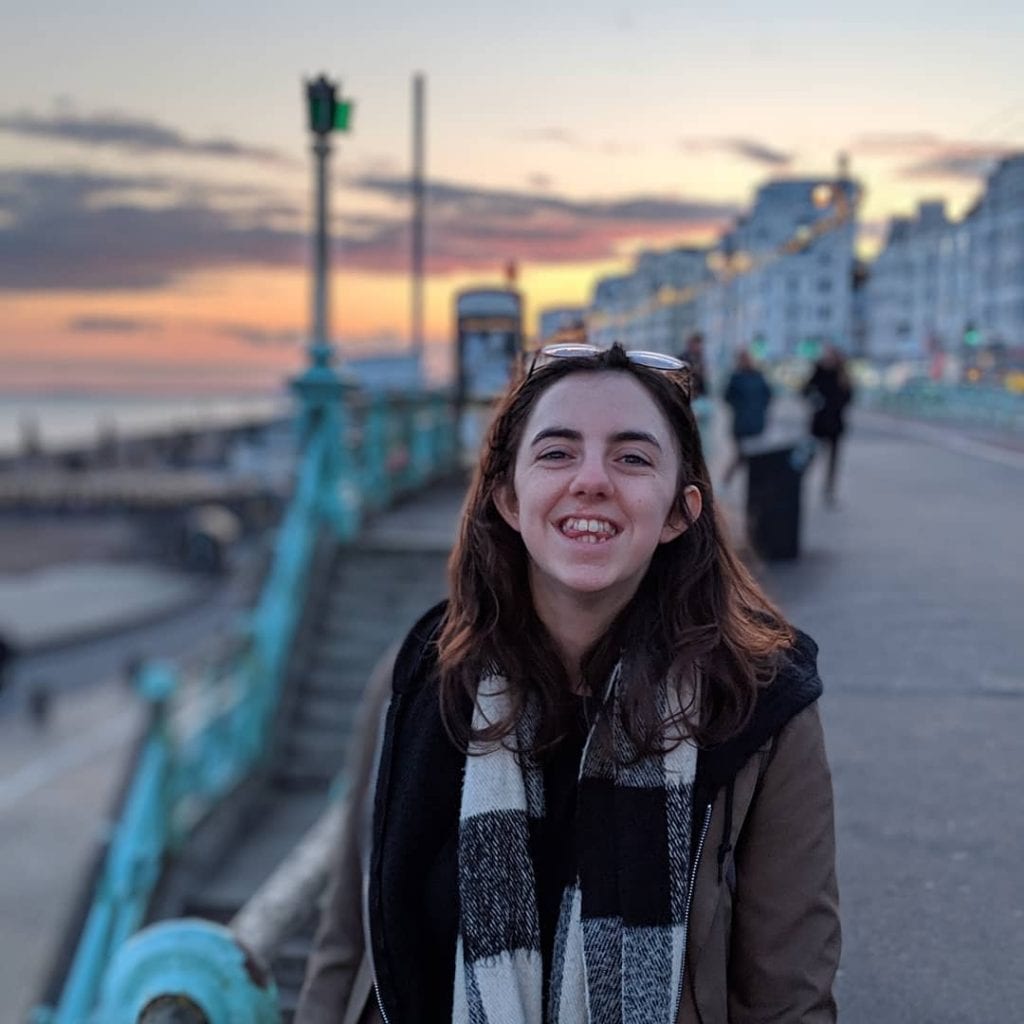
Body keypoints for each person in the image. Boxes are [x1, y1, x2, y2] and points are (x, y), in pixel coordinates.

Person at [296, 342, 840, 1024]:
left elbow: (791, 998)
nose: (592, 480)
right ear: (509, 498)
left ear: (680, 510)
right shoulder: (420, 681)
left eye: (633, 457)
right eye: (556, 452)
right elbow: (347, 943)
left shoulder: (760, 705)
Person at [803, 345, 854, 505]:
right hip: (818, 424)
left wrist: (834, 405)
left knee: (833, 461)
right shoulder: (818, 372)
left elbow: (848, 397)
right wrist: (815, 400)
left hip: (835, 424)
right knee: (808, 456)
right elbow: (805, 390)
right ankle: (796, 485)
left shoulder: (842, 375)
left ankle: (829, 490)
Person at [722, 348, 772, 485]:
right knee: (741, 456)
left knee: (754, 458)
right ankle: (727, 480)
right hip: (742, 425)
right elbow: (728, 397)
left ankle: (753, 485)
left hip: (757, 423)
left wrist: (759, 409)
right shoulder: (736, 378)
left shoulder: (759, 376)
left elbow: (768, 395)